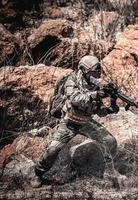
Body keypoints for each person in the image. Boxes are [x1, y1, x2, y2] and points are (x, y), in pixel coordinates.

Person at [29, 55, 120, 188]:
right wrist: (96, 94)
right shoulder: (71, 80)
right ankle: (38, 173)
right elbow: (75, 98)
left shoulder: (95, 85)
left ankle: (108, 172)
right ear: (82, 70)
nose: (96, 75)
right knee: (53, 150)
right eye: (92, 72)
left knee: (110, 141)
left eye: (97, 72)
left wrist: (111, 108)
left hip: (86, 122)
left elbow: (98, 110)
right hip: (69, 123)